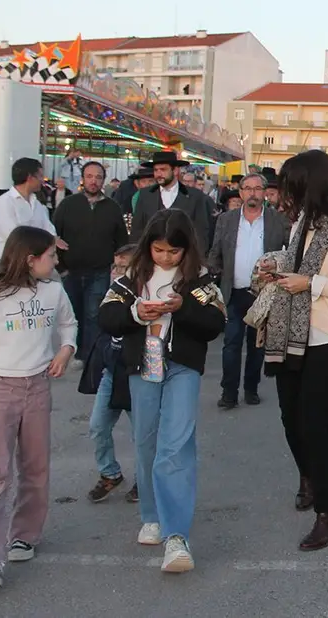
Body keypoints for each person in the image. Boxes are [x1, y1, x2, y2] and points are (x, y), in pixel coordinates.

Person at [250, 149, 328, 552]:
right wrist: (275, 268)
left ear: (314, 185)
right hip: (293, 333)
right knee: (291, 418)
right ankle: (308, 476)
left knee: (313, 424)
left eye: (293, 187)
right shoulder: (303, 222)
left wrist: (312, 284)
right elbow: (295, 262)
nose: (287, 196)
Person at [98, 209, 226, 574]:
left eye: (174, 252)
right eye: (158, 250)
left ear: (187, 249)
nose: (166, 258)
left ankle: (176, 535)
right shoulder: (130, 278)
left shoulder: (201, 281)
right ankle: (151, 515)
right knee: (146, 441)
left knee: (176, 445)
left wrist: (183, 308)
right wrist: (137, 314)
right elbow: (105, 317)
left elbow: (216, 322)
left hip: (183, 367)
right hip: (143, 365)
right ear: (147, 247)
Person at [0, 226, 78, 590]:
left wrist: (66, 349)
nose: (56, 261)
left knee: (36, 468)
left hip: (38, 387)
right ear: (29, 259)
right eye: (51, 256)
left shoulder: (54, 290)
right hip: (0, 390)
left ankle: (25, 534)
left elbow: (70, 325)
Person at [207, 173, 290, 409]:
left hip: (262, 295)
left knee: (257, 345)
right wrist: (212, 273)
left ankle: (251, 388)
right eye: (247, 188)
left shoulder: (278, 220)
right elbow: (216, 252)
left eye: (257, 188)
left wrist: (277, 268)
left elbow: (290, 253)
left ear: (265, 192)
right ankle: (229, 392)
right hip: (233, 290)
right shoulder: (226, 220)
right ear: (240, 192)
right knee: (231, 344)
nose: (252, 193)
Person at [79, 244, 140, 504]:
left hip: (137, 375)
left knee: (142, 433)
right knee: (98, 426)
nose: (116, 272)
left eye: (123, 267)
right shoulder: (111, 294)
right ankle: (110, 473)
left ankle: (144, 480)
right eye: (114, 266)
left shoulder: (143, 295)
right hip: (112, 372)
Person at [54, 161, 128, 364]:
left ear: (103, 180)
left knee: (94, 315)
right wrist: (61, 268)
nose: (93, 181)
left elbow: (121, 240)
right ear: (82, 179)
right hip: (71, 271)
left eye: (98, 177)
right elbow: (54, 236)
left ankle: (90, 356)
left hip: (100, 271)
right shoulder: (68, 205)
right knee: (73, 314)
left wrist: (118, 264)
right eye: (89, 176)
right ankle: (74, 351)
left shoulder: (112, 208)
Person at [0, 158, 65, 271]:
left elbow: (49, 229)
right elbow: (14, 236)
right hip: (11, 265)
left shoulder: (37, 204)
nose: (42, 180)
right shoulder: (4, 203)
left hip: (34, 265)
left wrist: (53, 239)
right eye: (40, 176)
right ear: (30, 177)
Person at [129, 151, 212, 254]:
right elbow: (137, 230)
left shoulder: (195, 196)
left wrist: (197, 261)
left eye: (163, 170)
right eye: (156, 170)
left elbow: (201, 231)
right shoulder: (144, 195)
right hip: (150, 260)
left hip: (185, 259)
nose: (158, 174)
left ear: (175, 170)